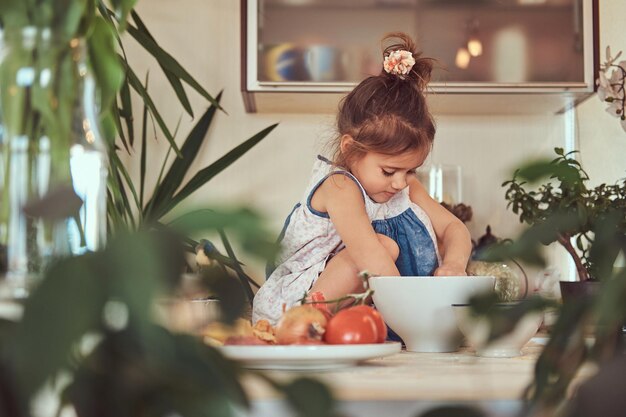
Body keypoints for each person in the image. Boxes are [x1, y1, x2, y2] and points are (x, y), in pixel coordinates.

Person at [252, 32, 472, 325]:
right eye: (389, 171)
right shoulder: (339, 186)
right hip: (292, 308)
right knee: (384, 247)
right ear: (350, 148)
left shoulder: (406, 187)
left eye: (410, 170)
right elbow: (371, 259)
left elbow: (455, 228)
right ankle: (305, 324)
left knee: (388, 248)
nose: (400, 183)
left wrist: (455, 264)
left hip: (363, 313)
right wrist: (415, 316)